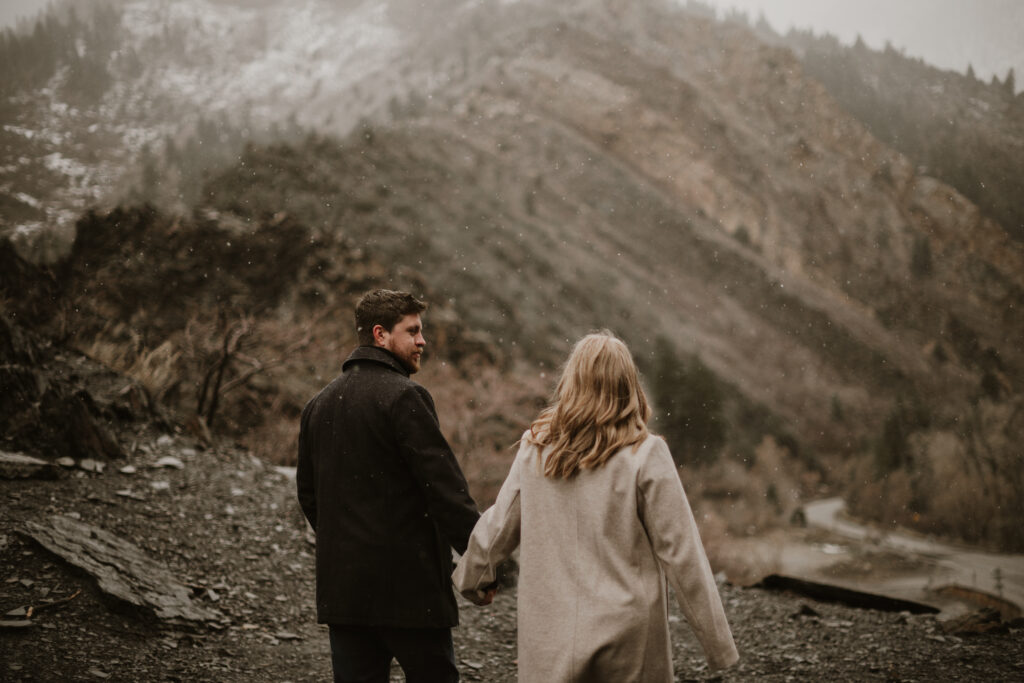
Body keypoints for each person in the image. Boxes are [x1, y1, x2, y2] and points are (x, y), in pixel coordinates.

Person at [453, 332, 739, 682]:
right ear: (628, 385)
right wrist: (717, 645)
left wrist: (472, 578)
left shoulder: (537, 448)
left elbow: (500, 525)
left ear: (570, 382)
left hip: (551, 633)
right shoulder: (645, 454)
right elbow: (682, 553)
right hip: (628, 634)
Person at [297, 289, 482, 683]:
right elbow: (445, 490)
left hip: (344, 594)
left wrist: (349, 547)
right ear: (380, 335)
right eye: (412, 331)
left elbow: (309, 496)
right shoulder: (406, 398)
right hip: (410, 594)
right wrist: (484, 563)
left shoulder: (319, 404)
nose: (422, 341)